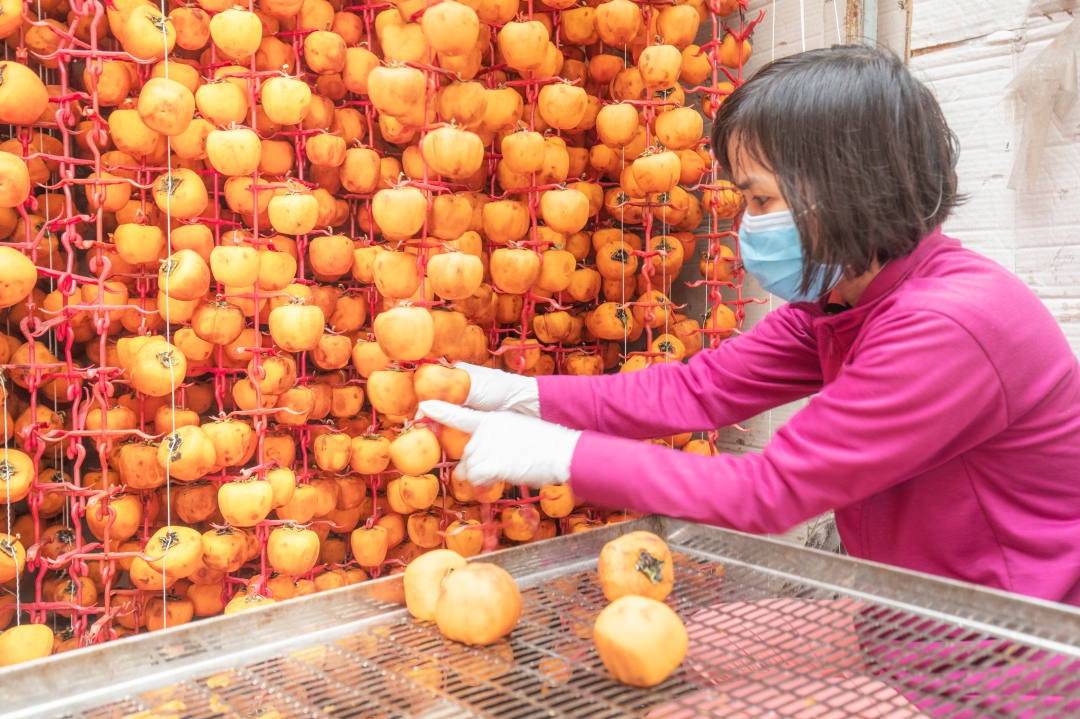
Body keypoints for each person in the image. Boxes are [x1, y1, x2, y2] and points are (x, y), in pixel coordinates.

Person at [417, 46, 1080, 606]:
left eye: (761, 199)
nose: (747, 224)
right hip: (922, 616)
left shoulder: (943, 327)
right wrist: (511, 394)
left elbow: (773, 491)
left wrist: (562, 456)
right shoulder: (847, 300)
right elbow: (693, 390)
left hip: (1015, 650)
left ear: (847, 188)